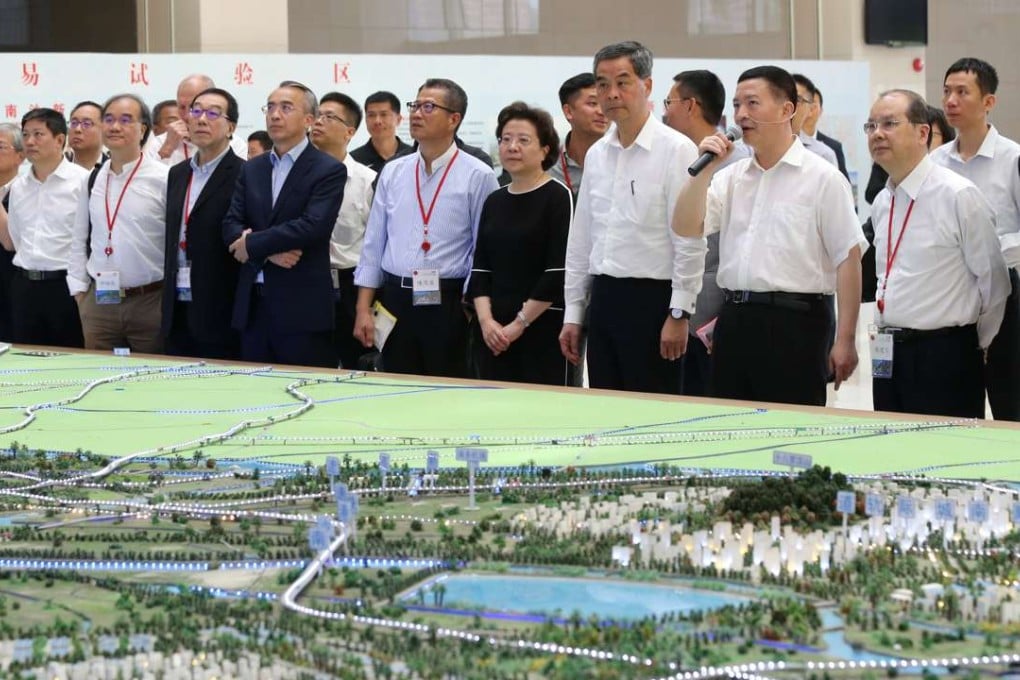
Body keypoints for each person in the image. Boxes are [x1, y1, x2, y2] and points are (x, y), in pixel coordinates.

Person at [671, 65, 866, 407]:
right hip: (734, 320)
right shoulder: (731, 177)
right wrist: (704, 172)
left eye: (752, 103)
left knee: (789, 437)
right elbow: (686, 226)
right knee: (728, 428)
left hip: (797, 322)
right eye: (736, 105)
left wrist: (846, 339)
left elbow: (848, 260)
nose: (741, 114)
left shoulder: (823, 178)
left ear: (787, 109)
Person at [560, 41, 698, 394]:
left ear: (647, 86)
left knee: (654, 413)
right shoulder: (597, 154)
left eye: (622, 82)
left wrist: (679, 312)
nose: (611, 93)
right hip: (605, 297)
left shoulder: (676, 149)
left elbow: (689, 237)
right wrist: (574, 312)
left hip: (654, 301)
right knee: (607, 407)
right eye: (602, 84)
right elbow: (582, 239)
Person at [868, 89, 1008, 417]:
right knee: (890, 455)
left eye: (889, 123)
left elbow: (995, 283)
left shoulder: (958, 195)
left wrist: (973, 343)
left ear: (922, 132)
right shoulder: (882, 202)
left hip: (944, 354)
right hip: (888, 353)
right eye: (871, 125)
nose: (877, 134)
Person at [353, 79, 499, 378]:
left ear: (454, 119)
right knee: (396, 388)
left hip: (450, 302)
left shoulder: (478, 174)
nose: (417, 114)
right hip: (395, 299)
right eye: (415, 105)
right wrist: (363, 308)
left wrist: (472, 306)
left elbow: (483, 248)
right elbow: (373, 243)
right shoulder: (394, 171)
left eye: (428, 107)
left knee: (447, 391)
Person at [223, 81, 346, 368]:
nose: (275, 115)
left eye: (286, 108)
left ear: (308, 120)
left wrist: (252, 244)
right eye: (271, 107)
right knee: (254, 396)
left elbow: (311, 226)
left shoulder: (328, 170)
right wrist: (265, 252)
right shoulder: (252, 168)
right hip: (253, 306)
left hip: (300, 310)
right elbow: (230, 223)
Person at [931, 57, 1020, 422]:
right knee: (954, 404)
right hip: (952, 296)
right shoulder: (935, 161)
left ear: (988, 102)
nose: (951, 100)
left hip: (1009, 295)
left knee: (1009, 401)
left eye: (962, 92)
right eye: (947, 91)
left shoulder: (1012, 159)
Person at [468, 102, 572, 386]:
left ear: (545, 149)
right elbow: (481, 269)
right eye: (506, 139)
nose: (512, 147)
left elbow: (556, 272)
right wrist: (487, 323)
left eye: (524, 140)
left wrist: (518, 326)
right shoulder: (495, 199)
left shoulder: (558, 196)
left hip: (540, 326)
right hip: (493, 331)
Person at [662, 69, 746, 397]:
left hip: (712, 320)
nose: (665, 111)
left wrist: (685, 312)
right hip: (677, 311)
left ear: (690, 106)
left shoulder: (734, 165)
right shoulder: (681, 155)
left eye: (669, 102)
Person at [67, 94, 169, 353]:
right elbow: (79, 238)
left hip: (150, 301)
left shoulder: (164, 178)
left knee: (150, 382)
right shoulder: (92, 179)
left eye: (126, 120)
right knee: (99, 381)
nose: (114, 127)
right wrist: (80, 292)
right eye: (109, 119)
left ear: (143, 128)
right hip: (100, 302)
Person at [161, 87, 244, 360]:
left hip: (222, 304)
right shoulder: (177, 173)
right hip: (177, 304)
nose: (201, 119)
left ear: (230, 127)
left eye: (213, 113)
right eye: (196, 111)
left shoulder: (247, 173)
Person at [0, 109, 87, 348]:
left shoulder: (82, 181)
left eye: (38, 134)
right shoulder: (19, 186)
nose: (29, 141)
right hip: (24, 286)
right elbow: (16, 239)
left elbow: (89, 239)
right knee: (26, 361)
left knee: (69, 359)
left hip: (65, 287)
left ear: (60, 139)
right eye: (25, 134)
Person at [309, 91, 377, 370]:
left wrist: (365, 307)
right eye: (317, 115)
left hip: (350, 287)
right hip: (307, 282)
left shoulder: (367, 181)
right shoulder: (296, 177)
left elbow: (374, 247)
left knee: (353, 366)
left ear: (349, 132)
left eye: (329, 117)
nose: (318, 122)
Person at [151, 74, 247, 165]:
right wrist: (167, 149)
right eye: (182, 107)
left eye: (195, 109)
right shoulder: (159, 143)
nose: (187, 116)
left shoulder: (234, 145)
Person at [549, 73, 609, 199]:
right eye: (593, 103)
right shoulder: (547, 166)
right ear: (568, 111)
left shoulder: (622, 162)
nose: (601, 111)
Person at [0, 124, 25, 341]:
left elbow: (10, 241)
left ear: (20, 156)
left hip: (12, 286)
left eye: (0, 147)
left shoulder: (26, 192)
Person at [350, 91, 412, 173]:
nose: (377, 121)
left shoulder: (413, 156)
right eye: (371, 115)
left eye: (384, 114)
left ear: (398, 119)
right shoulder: (353, 160)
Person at [791, 74, 839, 169]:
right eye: (784, 97)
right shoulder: (758, 149)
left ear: (810, 109)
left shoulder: (824, 154)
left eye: (797, 99)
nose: (789, 105)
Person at [809, 87, 850, 184]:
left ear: (821, 111)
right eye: (804, 104)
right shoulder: (787, 144)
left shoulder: (833, 147)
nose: (809, 110)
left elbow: (844, 183)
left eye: (813, 105)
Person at [65, 101, 107, 170]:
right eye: (74, 123)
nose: (77, 129)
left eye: (86, 124)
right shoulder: (54, 170)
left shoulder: (116, 171)